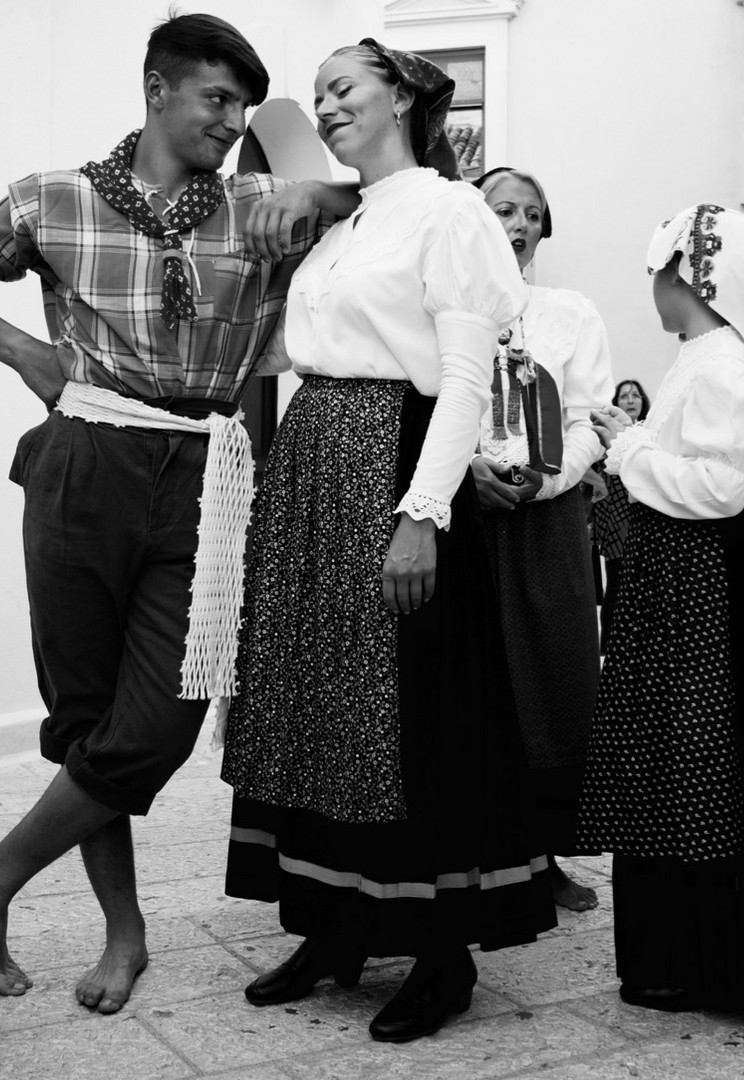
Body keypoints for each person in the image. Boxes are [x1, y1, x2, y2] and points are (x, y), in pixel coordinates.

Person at [0, 13, 359, 1013]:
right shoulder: (50, 197)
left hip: (205, 473)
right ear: (157, 90)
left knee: (164, 719)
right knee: (87, 719)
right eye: (217, 100)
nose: (232, 122)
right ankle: (125, 933)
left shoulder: (258, 206)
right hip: (83, 459)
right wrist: (24, 353)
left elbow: (375, 198)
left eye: (244, 105)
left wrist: (297, 169)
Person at [220, 40, 555, 1044]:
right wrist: (322, 200)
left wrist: (422, 514)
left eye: (343, 88)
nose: (324, 105)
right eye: (316, 93)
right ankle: (334, 927)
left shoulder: (452, 212)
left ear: (404, 94)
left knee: (405, 711)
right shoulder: (352, 221)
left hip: (387, 462)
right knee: (315, 700)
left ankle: (442, 954)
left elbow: (460, 376)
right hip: (315, 464)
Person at [576, 204, 744, 1012]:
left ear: (685, 272)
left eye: (655, 271)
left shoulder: (720, 365)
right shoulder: (705, 358)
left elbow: (720, 488)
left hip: (696, 596)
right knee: (674, 767)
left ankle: (704, 956)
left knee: (692, 767)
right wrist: (638, 438)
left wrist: (628, 445)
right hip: (682, 589)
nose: (650, 286)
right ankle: (683, 953)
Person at [469, 166, 615, 913]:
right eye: (501, 209)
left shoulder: (570, 313)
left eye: (530, 213)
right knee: (479, 679)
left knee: (554, 681)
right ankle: (481, 851)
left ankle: (542, 852)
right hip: (467, 516)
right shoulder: (445, 303)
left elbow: (592, 417)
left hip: (550, 522)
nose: (517, 223)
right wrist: (470, 473)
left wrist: (548, 478)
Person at [590, 380, 650, 650]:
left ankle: (637, 645)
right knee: (616, 584)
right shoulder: (606, 432)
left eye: (635, 395)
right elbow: (588, 466)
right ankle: (608, 647)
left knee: (644, 585)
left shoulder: (651, 432)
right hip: (615, 514)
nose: (630, 400)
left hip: (645, 515)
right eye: (624, 396)